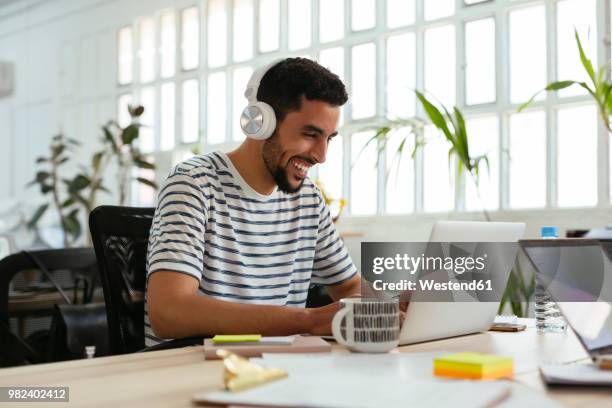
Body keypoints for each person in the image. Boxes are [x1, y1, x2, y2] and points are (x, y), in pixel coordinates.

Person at [145, 58, 361, 346]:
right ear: (259, 123)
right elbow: (168, 312)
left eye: (329, 139)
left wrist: (393, 306)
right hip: (194, 369)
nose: (321, 156)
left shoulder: (307, 198)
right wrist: (310, 320)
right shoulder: (195, 183)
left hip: (278, 369)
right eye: (310, 134)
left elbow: (350, 286)